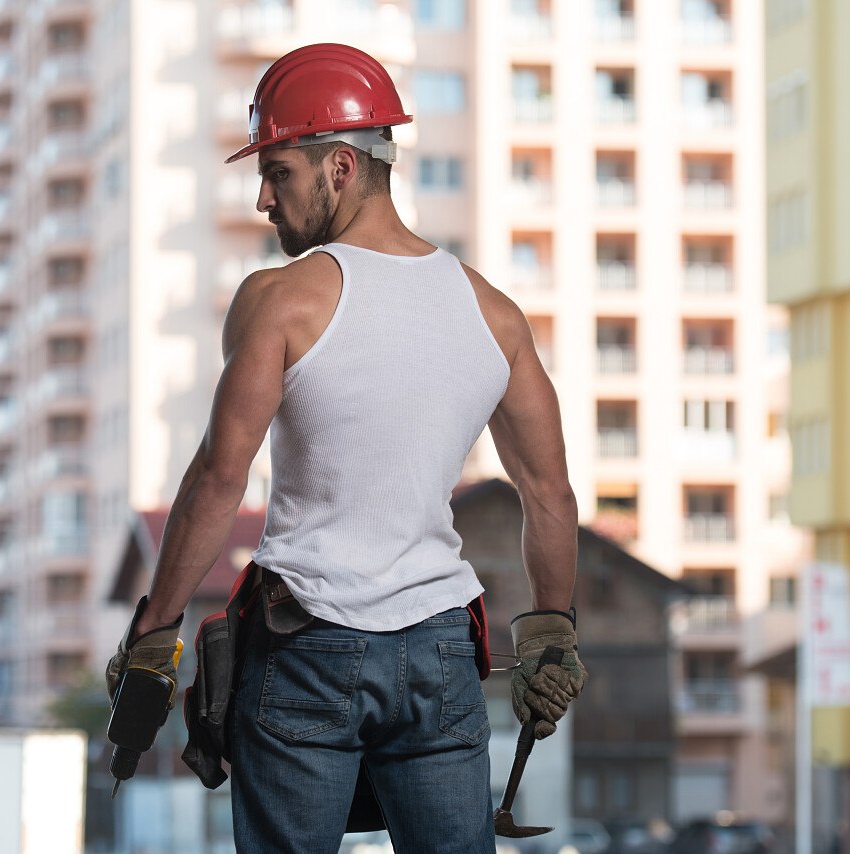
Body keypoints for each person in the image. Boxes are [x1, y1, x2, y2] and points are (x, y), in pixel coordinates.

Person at [106, 43, 588, 853]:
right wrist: (551, 634)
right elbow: (551, 495)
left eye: (279, 172)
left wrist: (154, 634)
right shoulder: (494, 315)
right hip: (439, 648)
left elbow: (220, 478)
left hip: (306, 649)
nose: (263, 199)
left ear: (340, 167)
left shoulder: (280, 300)